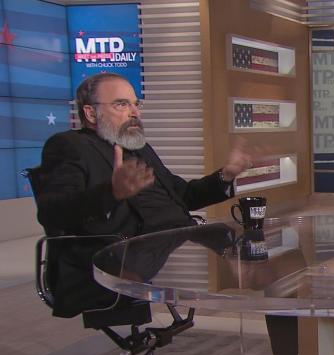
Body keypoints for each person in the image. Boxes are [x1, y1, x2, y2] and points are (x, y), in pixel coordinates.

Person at [34, 72, 252, 317]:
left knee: (253, 250)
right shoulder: (70, 145)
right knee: (238, 272)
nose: (135, 112)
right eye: (122, 104)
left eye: (136, 104)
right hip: (119, 256)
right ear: (91, 113)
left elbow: (183, 196)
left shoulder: (140, 148)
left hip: (174, 242)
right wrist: (112, 192)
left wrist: (226, 175)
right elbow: (53, 212)